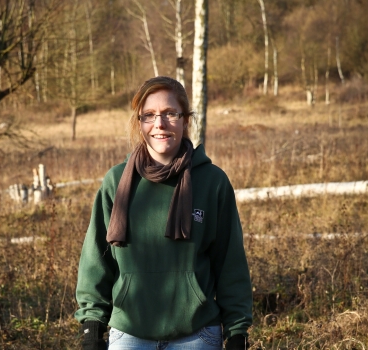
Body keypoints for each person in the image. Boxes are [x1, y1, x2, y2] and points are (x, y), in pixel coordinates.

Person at [75, 76, 253, 350]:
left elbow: (230, 263)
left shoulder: (213, 182)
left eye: (170, 113)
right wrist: (92, 327)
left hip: (197, 336)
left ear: (185, 120)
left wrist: (237, 332)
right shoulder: (116, 182)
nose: (160, 124)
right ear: (139, 122)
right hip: (129, 334)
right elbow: (95, 261)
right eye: (149, 115)